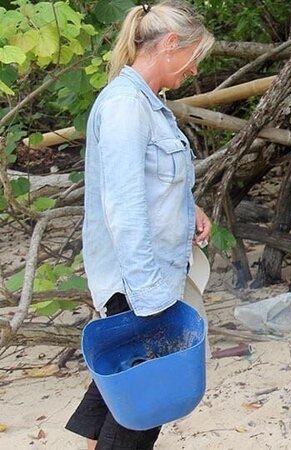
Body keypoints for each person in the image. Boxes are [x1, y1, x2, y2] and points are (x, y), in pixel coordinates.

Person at [65, 2, 214, 449]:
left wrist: (191, 209)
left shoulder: (147, 104)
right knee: (150, 402)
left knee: (124, 373)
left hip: (151, 273)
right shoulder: (125, 107)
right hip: (139, 281)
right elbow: (125, 210)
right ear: (170, 45)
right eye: (194, 56)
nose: (195, 69)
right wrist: (150, 300)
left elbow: (152, 185)